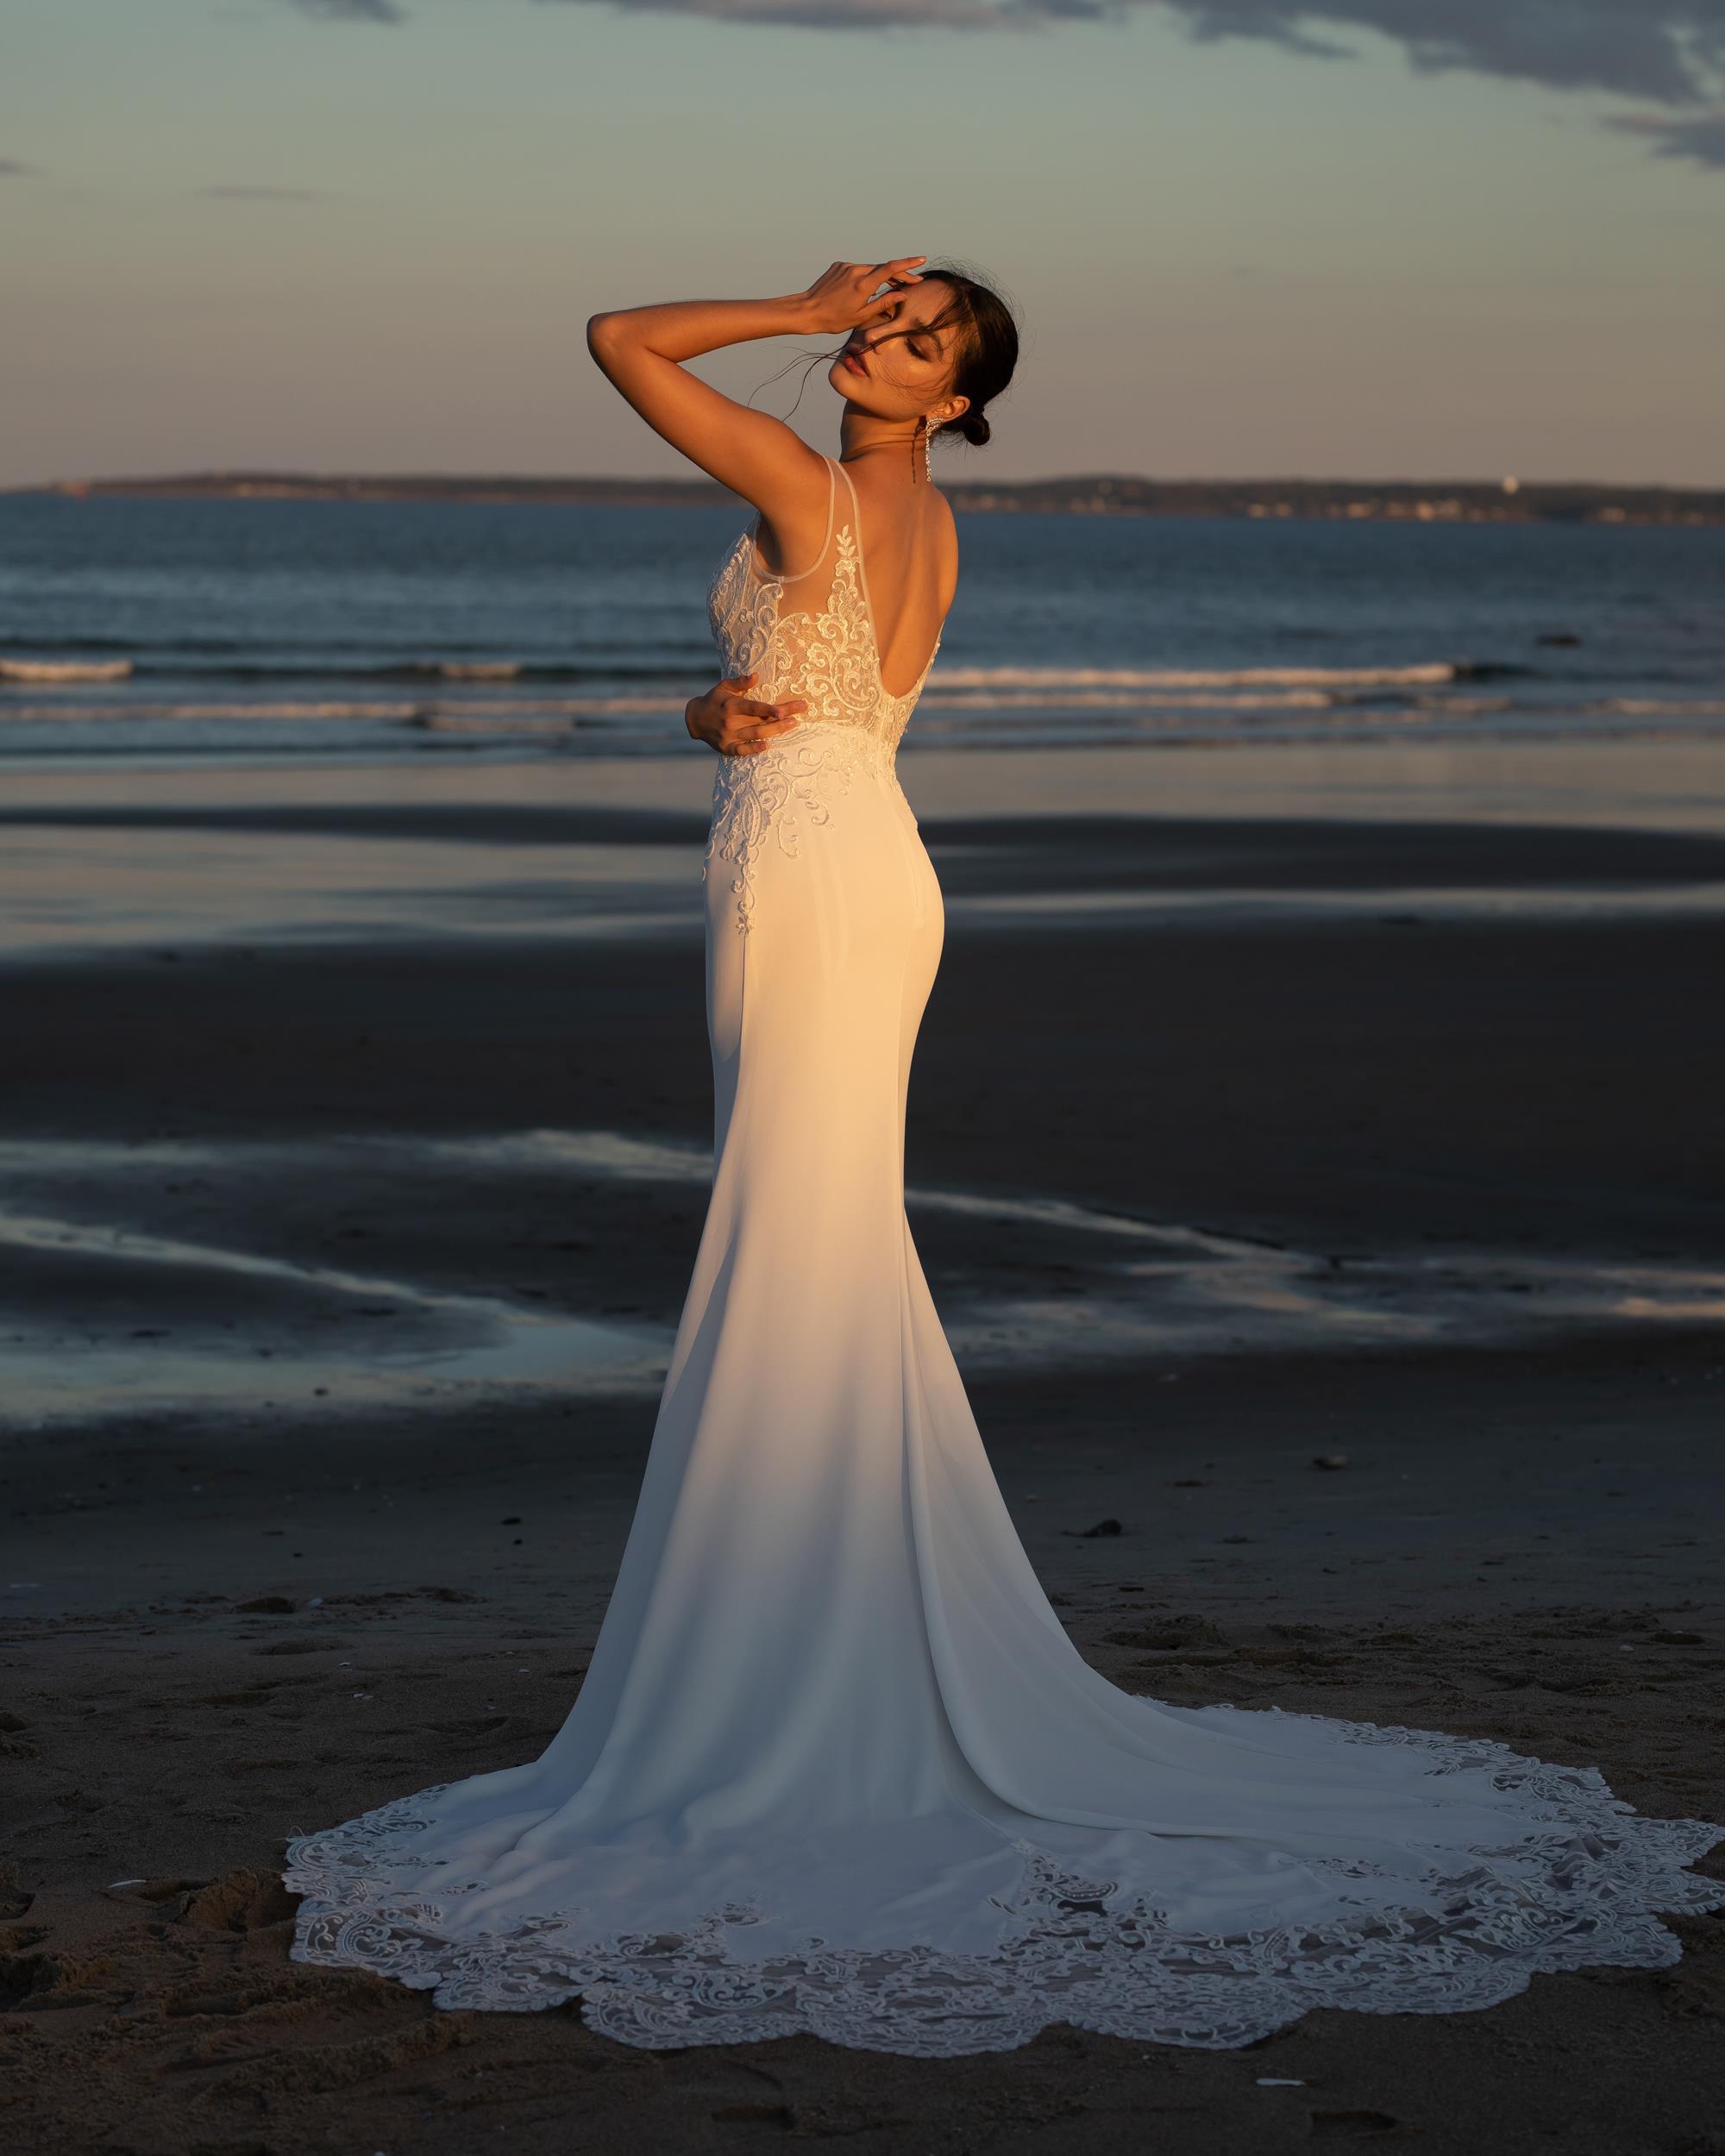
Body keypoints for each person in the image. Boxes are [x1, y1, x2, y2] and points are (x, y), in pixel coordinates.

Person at [285, 259, 1724, 2055]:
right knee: (819, 1244)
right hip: (847, 851)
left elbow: (614, 343)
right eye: (883, 313)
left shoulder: (815, 484)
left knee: (792, 1246)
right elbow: (791, 699)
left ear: (954, 398)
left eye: (918, 334)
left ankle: (786, 1677)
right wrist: (702, 716)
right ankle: (815, 1630)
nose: (879, 337)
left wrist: (788, 292)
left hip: (812, 886)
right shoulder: (906, 514)